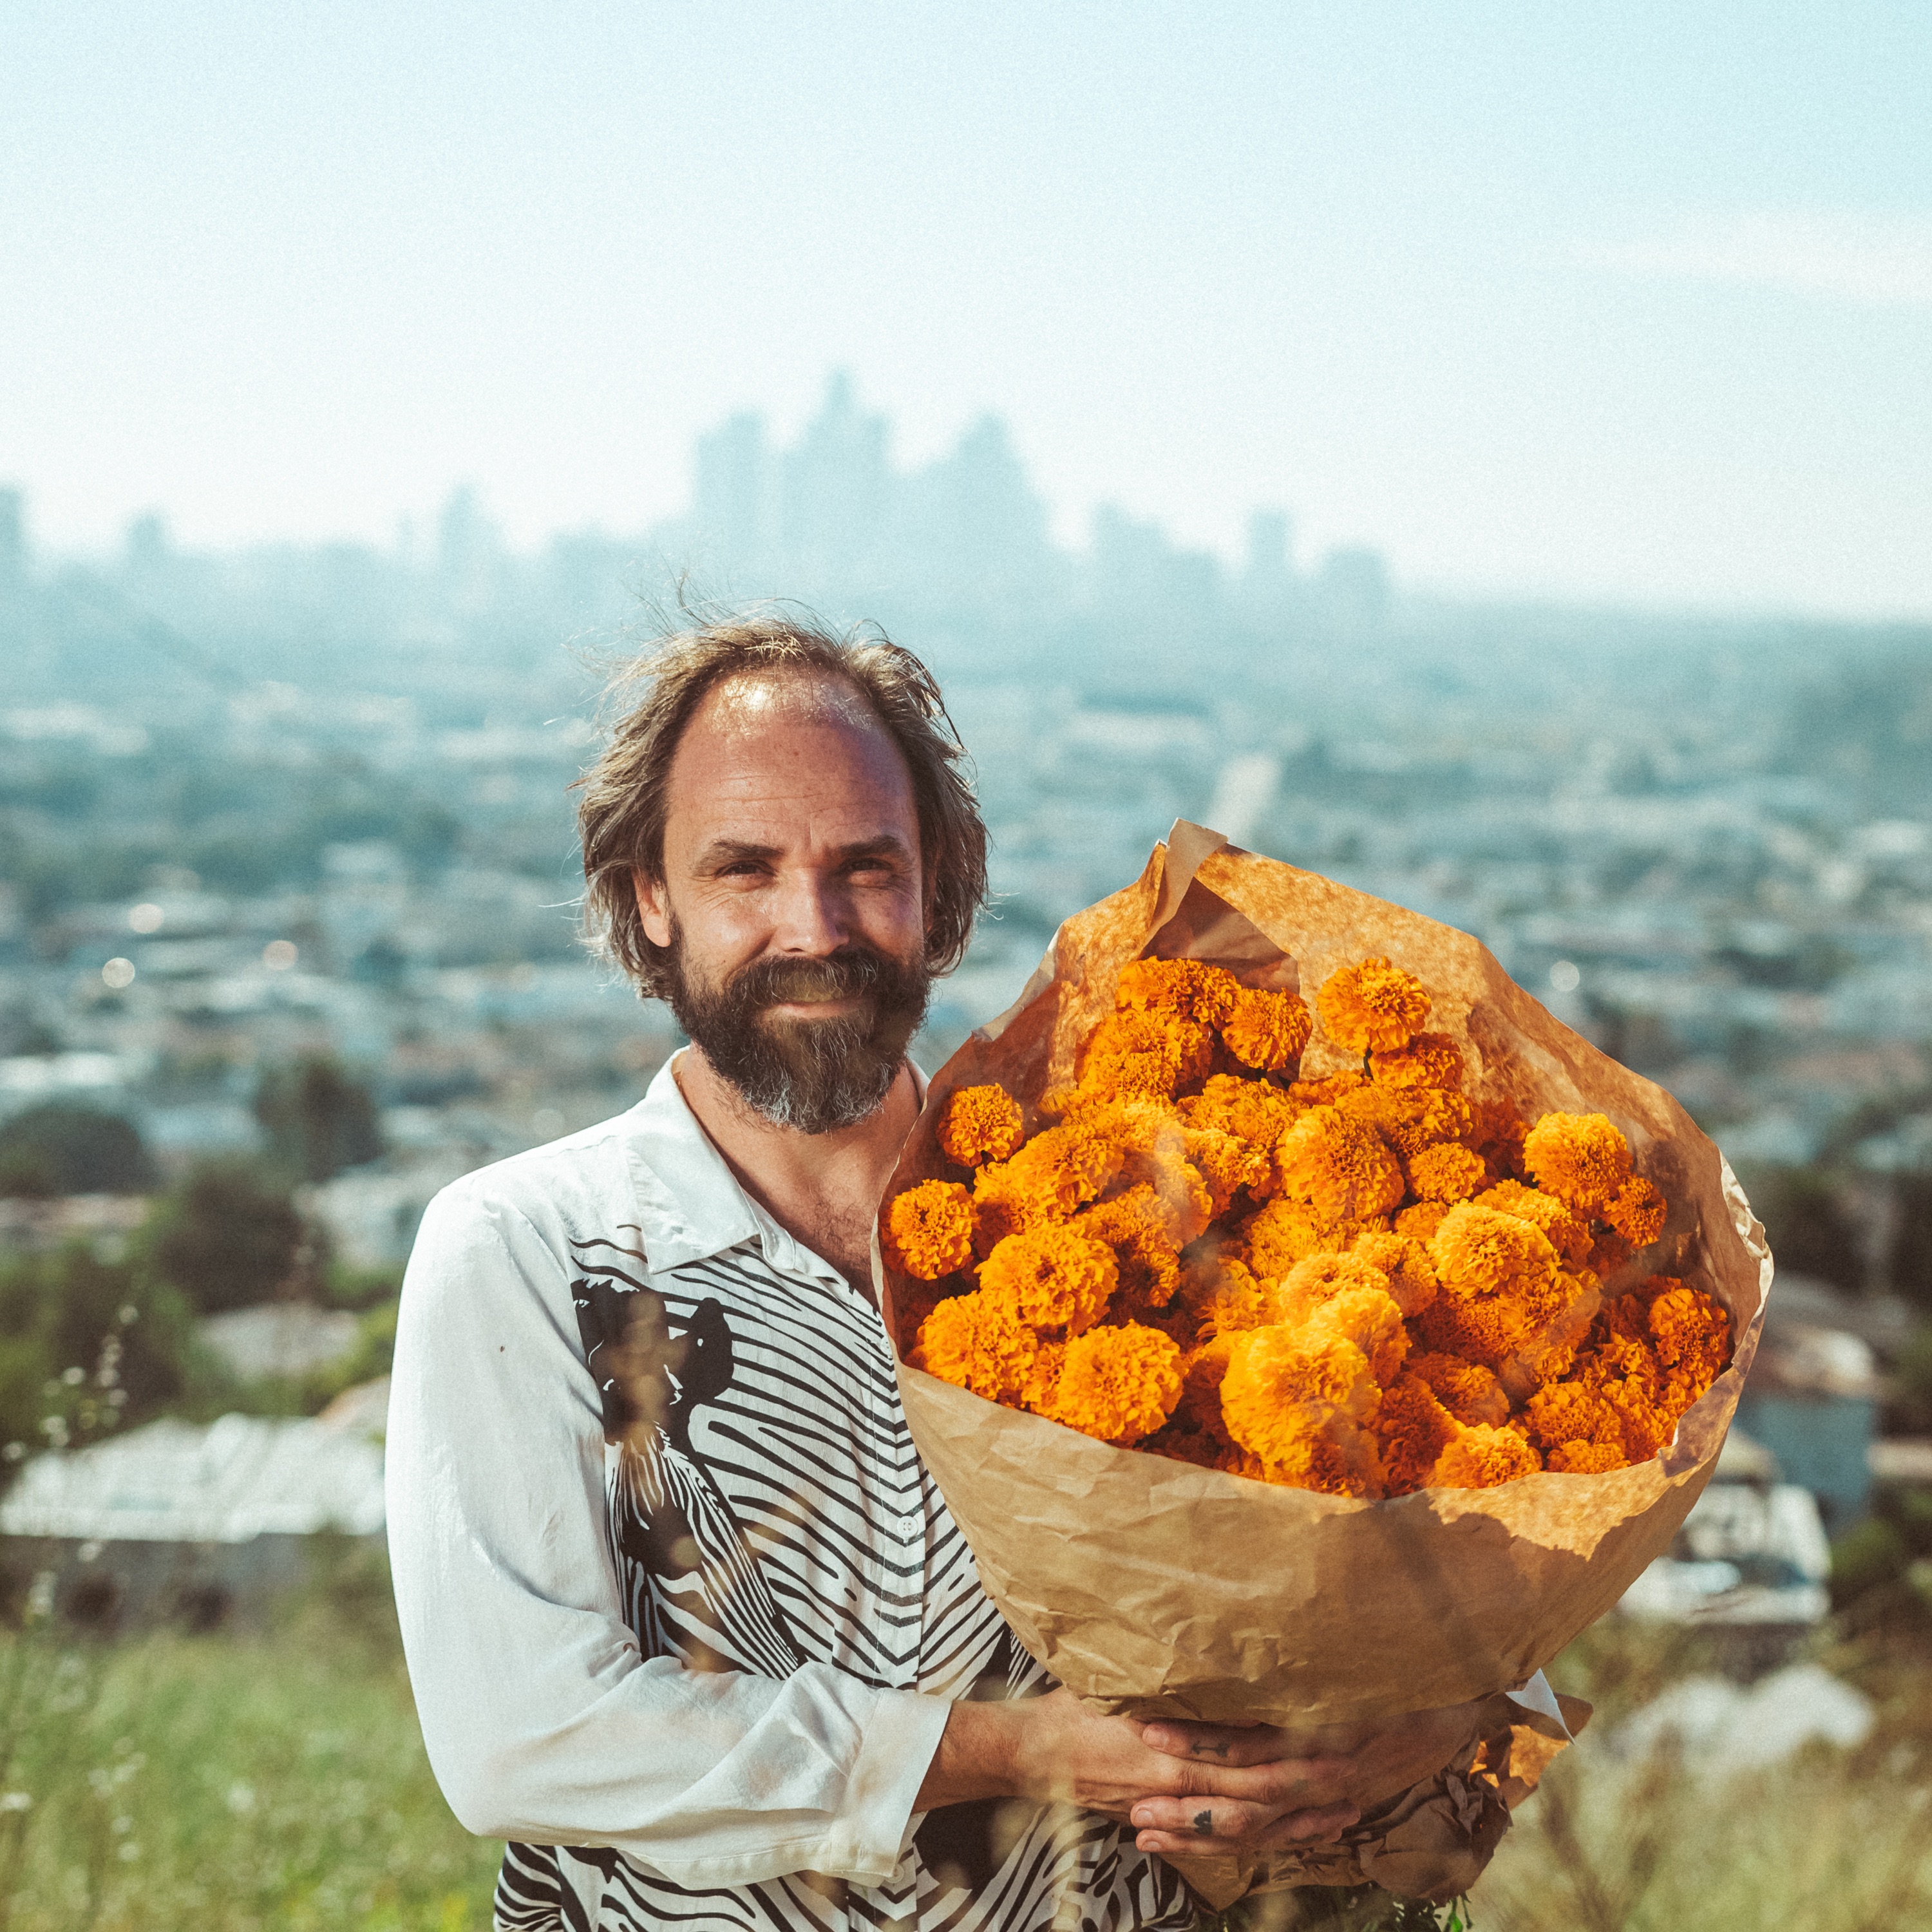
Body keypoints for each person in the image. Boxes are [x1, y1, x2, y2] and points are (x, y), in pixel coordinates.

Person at [386, 615, 1482, 1932]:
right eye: (745, 870)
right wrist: (1013, 1752)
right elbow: (526, 1739)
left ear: (939, 892)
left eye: (867, 867)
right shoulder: (526, 1252)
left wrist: (1432, 1714)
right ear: (649, 899)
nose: (814, 926)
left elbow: (1439, 1535)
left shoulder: (1118, 1210)